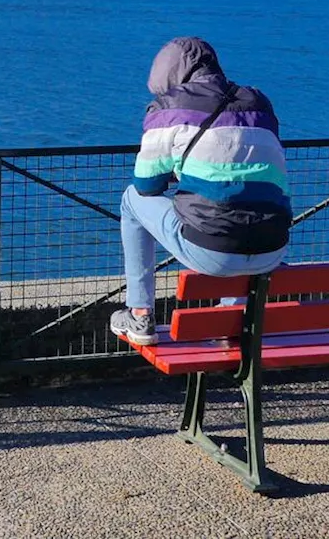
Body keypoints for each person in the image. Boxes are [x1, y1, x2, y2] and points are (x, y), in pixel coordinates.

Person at [110, 37, 291, 346]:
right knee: (242, 205)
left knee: (131, 199)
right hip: (274, 249)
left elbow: (146, 185)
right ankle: (230, 319)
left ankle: (139, 313)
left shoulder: (169, 106)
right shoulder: (259, 102)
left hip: (212, 254)